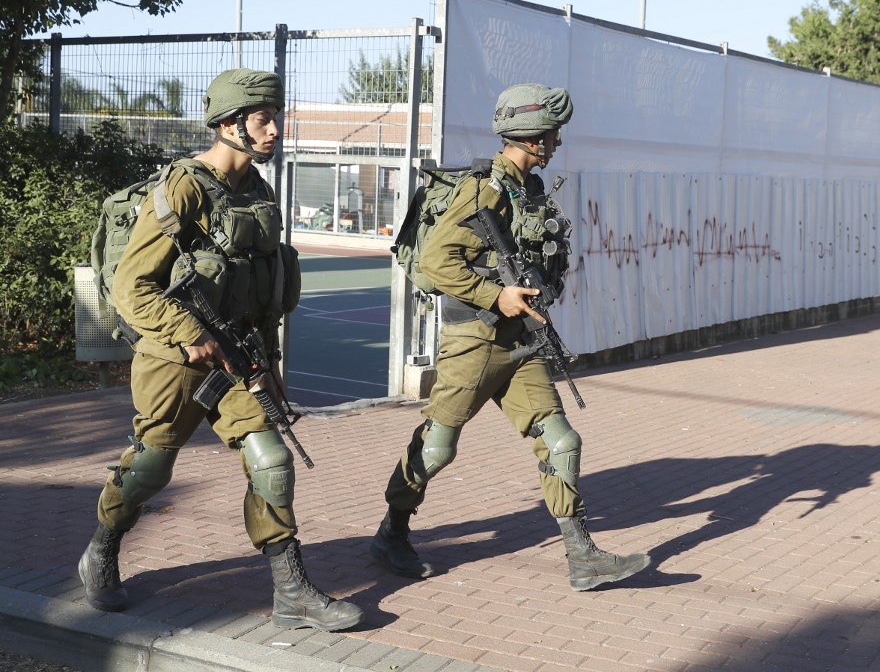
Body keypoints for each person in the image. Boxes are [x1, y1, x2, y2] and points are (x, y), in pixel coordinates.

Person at [77, 68, 362, 631]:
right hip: (173, 360)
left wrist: (270, 369)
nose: (276, 129)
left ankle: (291, 592)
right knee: (151, 470)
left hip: (238, 358)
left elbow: (268, 295)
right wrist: (189, 334)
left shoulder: (258, 192)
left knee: (274, 462)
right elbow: (132, 286)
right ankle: (102, 550)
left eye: (277, 117)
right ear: (230, 125)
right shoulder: (183, 187)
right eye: (264, 120)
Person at [372, 83, 651, 591]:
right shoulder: (485, 189)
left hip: (521, 341)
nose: (558, 143)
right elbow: (437, 262)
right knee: (437, 450)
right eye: (552, 134)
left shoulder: (528, 189)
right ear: (531, 137)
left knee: (562, 440)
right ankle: (392, 531)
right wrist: (494, 296)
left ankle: (581, 554)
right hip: (475, 342)